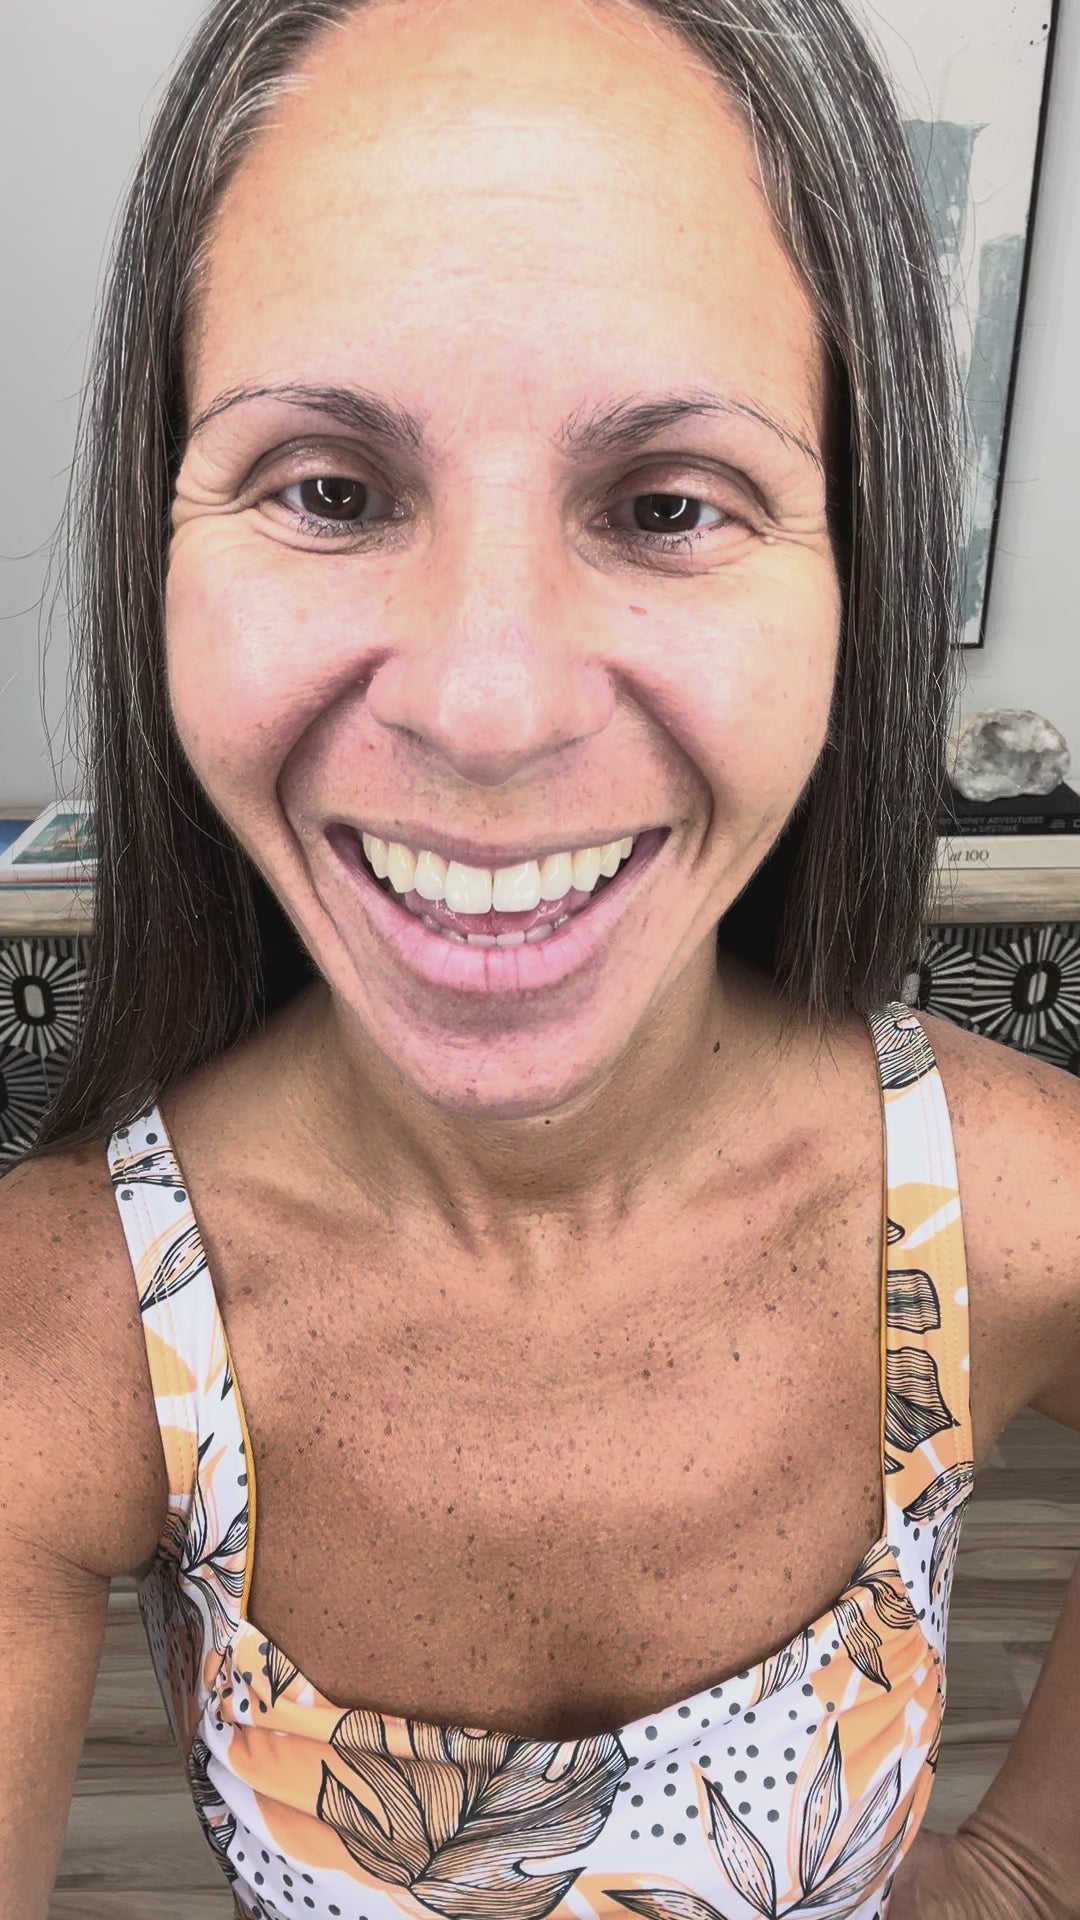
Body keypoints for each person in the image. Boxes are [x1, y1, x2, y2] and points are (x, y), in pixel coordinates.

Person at [1, 0, 1077, 1913]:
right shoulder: (66, 1339)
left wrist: (1024, 1863)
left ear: (858, 564)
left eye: (668, 505)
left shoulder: (1010, 1201)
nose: (487, 710)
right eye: (329, 490)